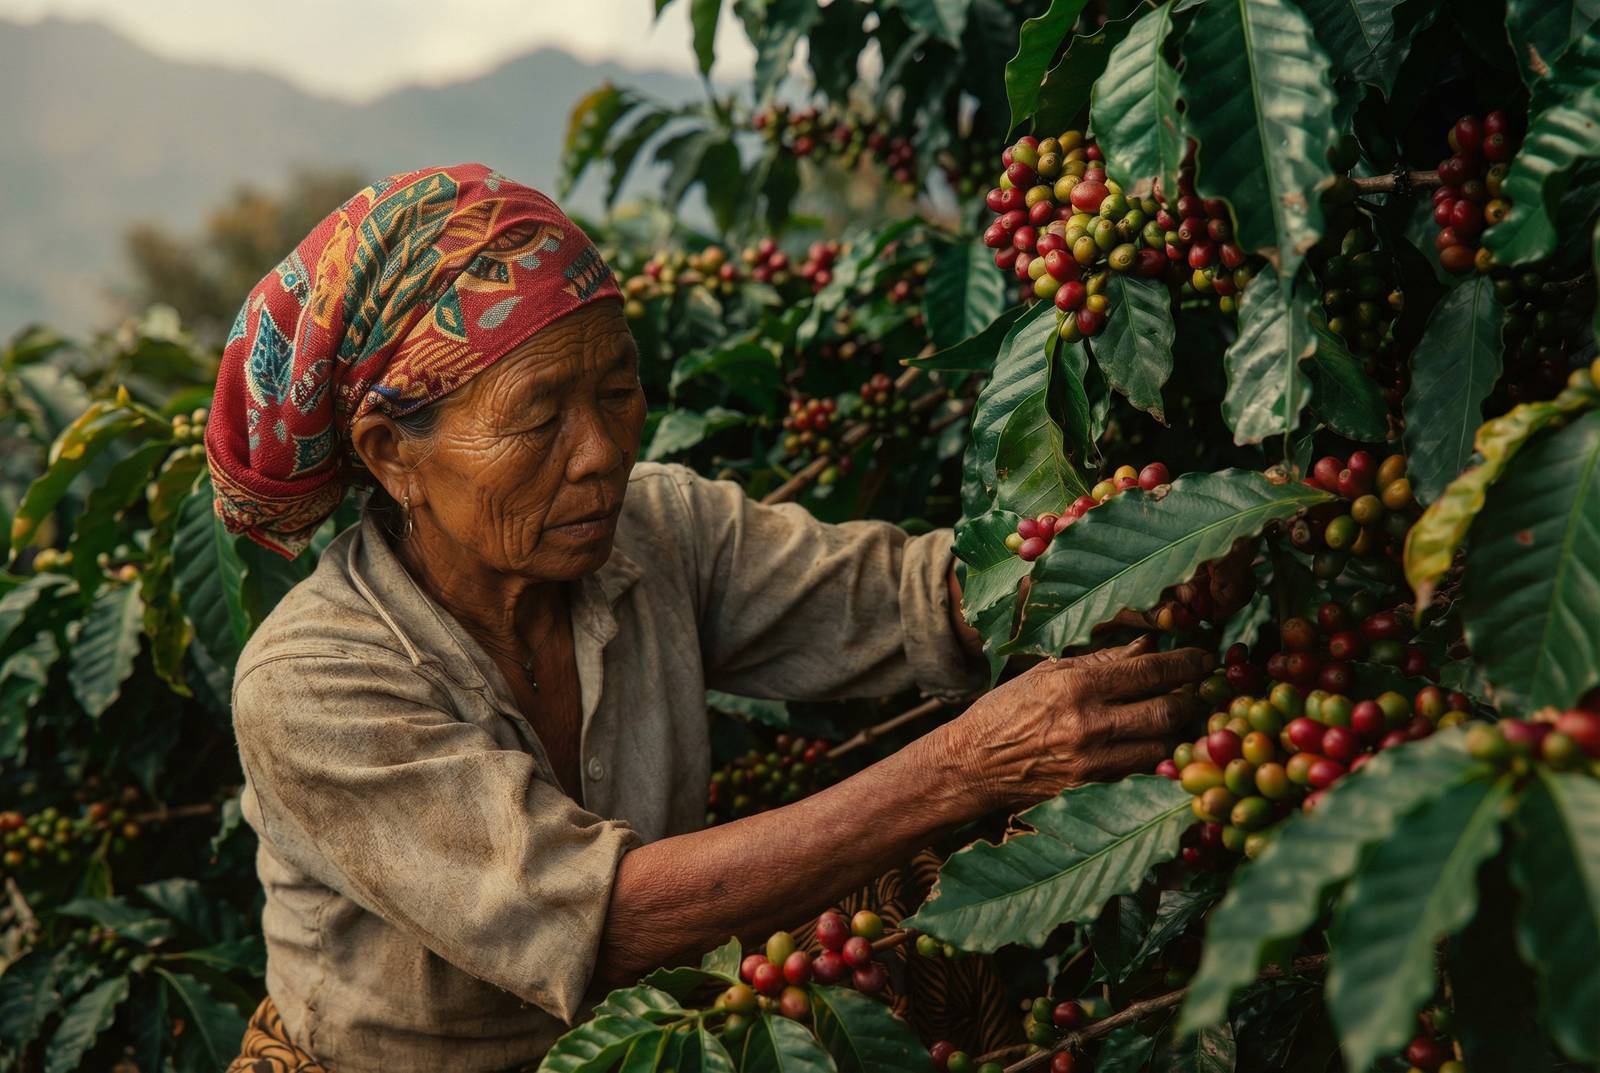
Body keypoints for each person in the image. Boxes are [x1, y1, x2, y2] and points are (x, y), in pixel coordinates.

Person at [209, 163, 1216, 1073]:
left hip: (656, 1036)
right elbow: (604, 920)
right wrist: (968, 764)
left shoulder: (658, 530)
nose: (600, 450)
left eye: (618, 390)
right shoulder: (311, 679)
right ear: (390, 452)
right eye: (540, 413)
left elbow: (916, 599)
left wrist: (1135, 563)